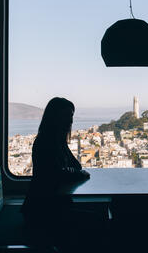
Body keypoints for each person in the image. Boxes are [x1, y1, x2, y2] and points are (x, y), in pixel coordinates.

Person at [22, 97, 106, 251]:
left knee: (100, 217)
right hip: (43, 212)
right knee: (100, 221)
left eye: (71, 117)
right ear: (55, 118)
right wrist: (76, 173)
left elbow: (75, 166)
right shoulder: (44, 142)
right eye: (67, 116)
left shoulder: (57, 141)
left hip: (51, 207)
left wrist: (72, 168)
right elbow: (58, 174)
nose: (70, 121)